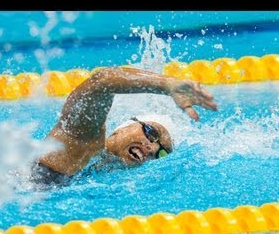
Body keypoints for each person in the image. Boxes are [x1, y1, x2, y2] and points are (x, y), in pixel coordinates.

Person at [30, 66, 218, 186]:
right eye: (151, 133)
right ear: (124, 127)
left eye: (161, 153)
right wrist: (168, 85)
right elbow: (101, 81)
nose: (152, 147)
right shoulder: (85, 141)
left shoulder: (105, 176)